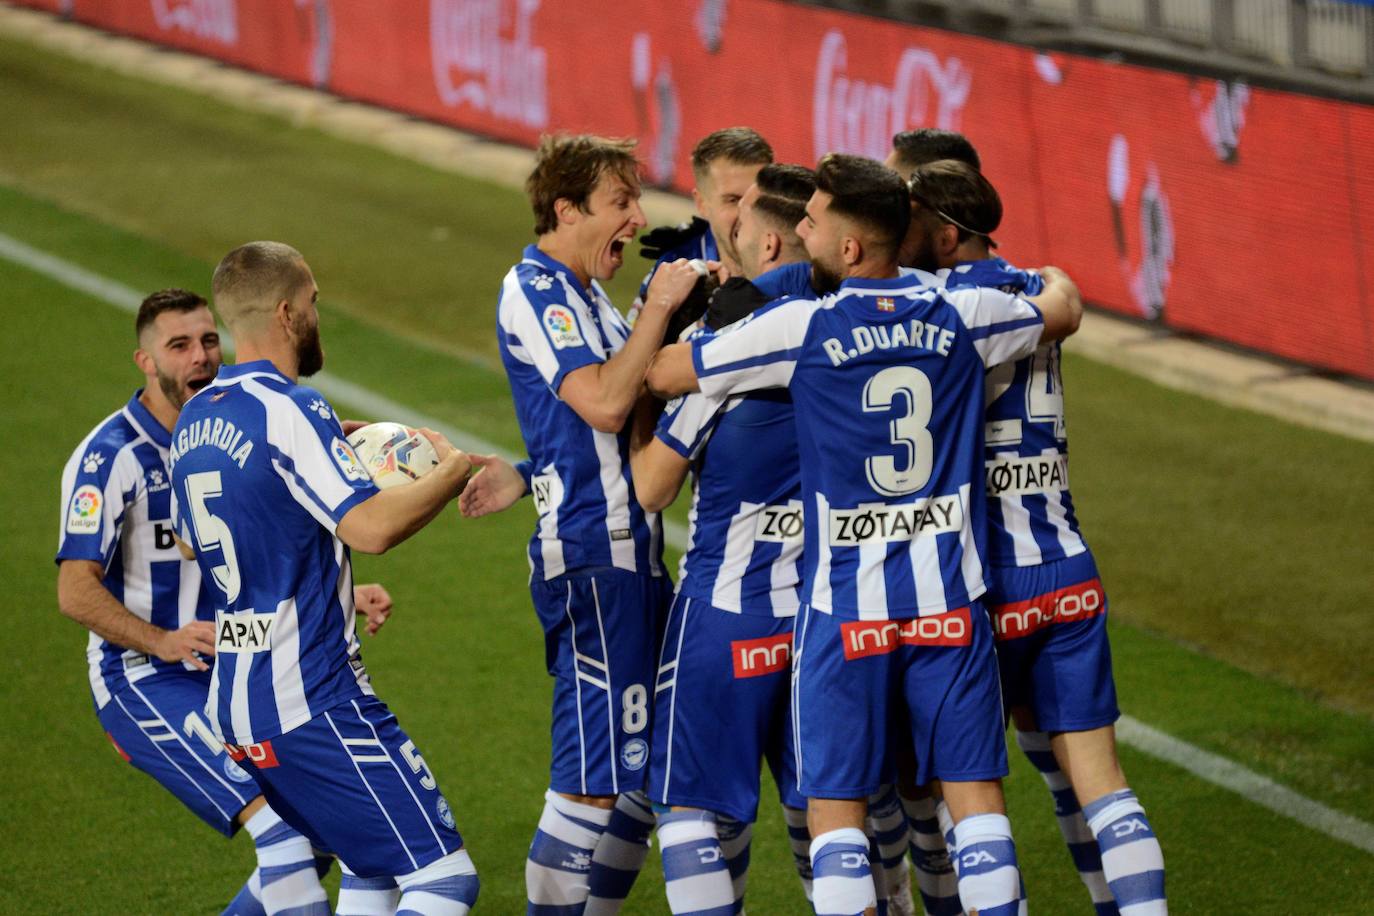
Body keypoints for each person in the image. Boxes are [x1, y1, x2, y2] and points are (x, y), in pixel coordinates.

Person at [646, 153, 1084, 916]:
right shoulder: (961, 314)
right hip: (950, 608)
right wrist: (1056, 280)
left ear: (850, 249)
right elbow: (1060, 313)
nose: (802, 228)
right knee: (975, 806)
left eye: (812, 220)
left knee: (836, 816)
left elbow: (665, 376)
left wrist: (700, 311)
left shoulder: (800, 326)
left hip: (845, 614)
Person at [168, 242, 480, 915]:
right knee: (444, 880)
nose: (318, 315)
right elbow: (370, 530)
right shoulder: (292, 408)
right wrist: (452, 469)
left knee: (371, 867)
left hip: (238, 704)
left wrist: (307, 467)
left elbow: (194, 543)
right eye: (312, 303)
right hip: (312, 700)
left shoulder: (194, 420)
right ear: (285, 313)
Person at [909, 158, 1168, 916]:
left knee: (969, 803)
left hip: (977, 585)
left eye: (913, 222)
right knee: (1104, 784)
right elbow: (1064, 299)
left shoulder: (941, 306)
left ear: (949, 235)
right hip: (1065, 566)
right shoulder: (1035, 287)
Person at [457, 134, 703, 915]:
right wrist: (660, 311)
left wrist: (530, 474)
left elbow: (591, 430)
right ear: (566, 210)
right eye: (620, 203)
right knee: (592, 788)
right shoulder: (536, 289)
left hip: (634, 558)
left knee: (641, 778)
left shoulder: (587, 295)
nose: (636, 217)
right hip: (595, 564)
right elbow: (601, 401)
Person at [56, 288, 350, 916]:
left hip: (232, 670)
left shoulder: (224, 432)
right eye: (180, 345)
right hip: (143, 679)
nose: (200, 356)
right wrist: (161, 641)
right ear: (145, 360)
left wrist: (346, 588)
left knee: (322, 833)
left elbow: (252, 549)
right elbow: (73, 589)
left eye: (208, 340)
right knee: (288, 842)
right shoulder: (111, 458)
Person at [629, 163, 816, 915]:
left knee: (690, 809)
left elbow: (651, 485)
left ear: (769, 243)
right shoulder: (851, 325)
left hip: (727, 613)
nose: (724, 236)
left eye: (736, 225)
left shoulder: (730, 343)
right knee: (832, 815)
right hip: (825, 618)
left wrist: (643, 395)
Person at [633, 127, 774, 320]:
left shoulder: (798, 259)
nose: (748, 214)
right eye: (733, 200)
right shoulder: (674, 271)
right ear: (701, 204)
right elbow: (637, 348)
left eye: (758, 198)